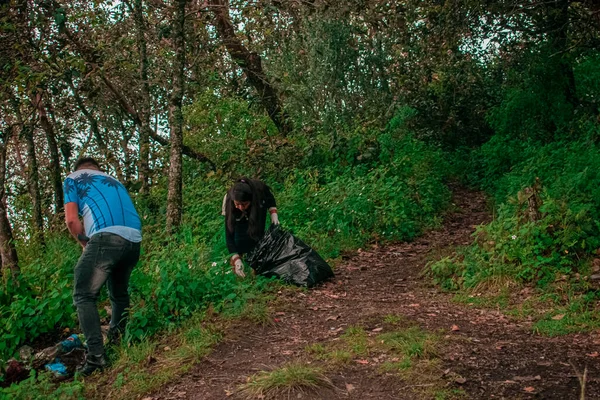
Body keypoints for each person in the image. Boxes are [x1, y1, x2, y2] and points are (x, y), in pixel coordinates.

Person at [63, 157, 142, 376]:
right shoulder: (113, 180)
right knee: (118, 293)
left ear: (79, 170)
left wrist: (84, 243)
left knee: (83, 294)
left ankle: (96, 358)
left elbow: (71, 220)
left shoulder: (73, 178)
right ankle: (117, 343)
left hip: (107, 237)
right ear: (98, 169)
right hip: (134, 240)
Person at [222, 178, 279, 277]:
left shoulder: (259, 190)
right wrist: (236, 258)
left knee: (256, 235)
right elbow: (229, 234)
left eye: (244, 204)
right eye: (237, 204)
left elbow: (270, 198)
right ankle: (238, 267)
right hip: (237, 215)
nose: (240, 207)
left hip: (256, 210)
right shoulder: (229, 200)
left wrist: (273, 213)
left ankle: (256, 268)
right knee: (238, 238)